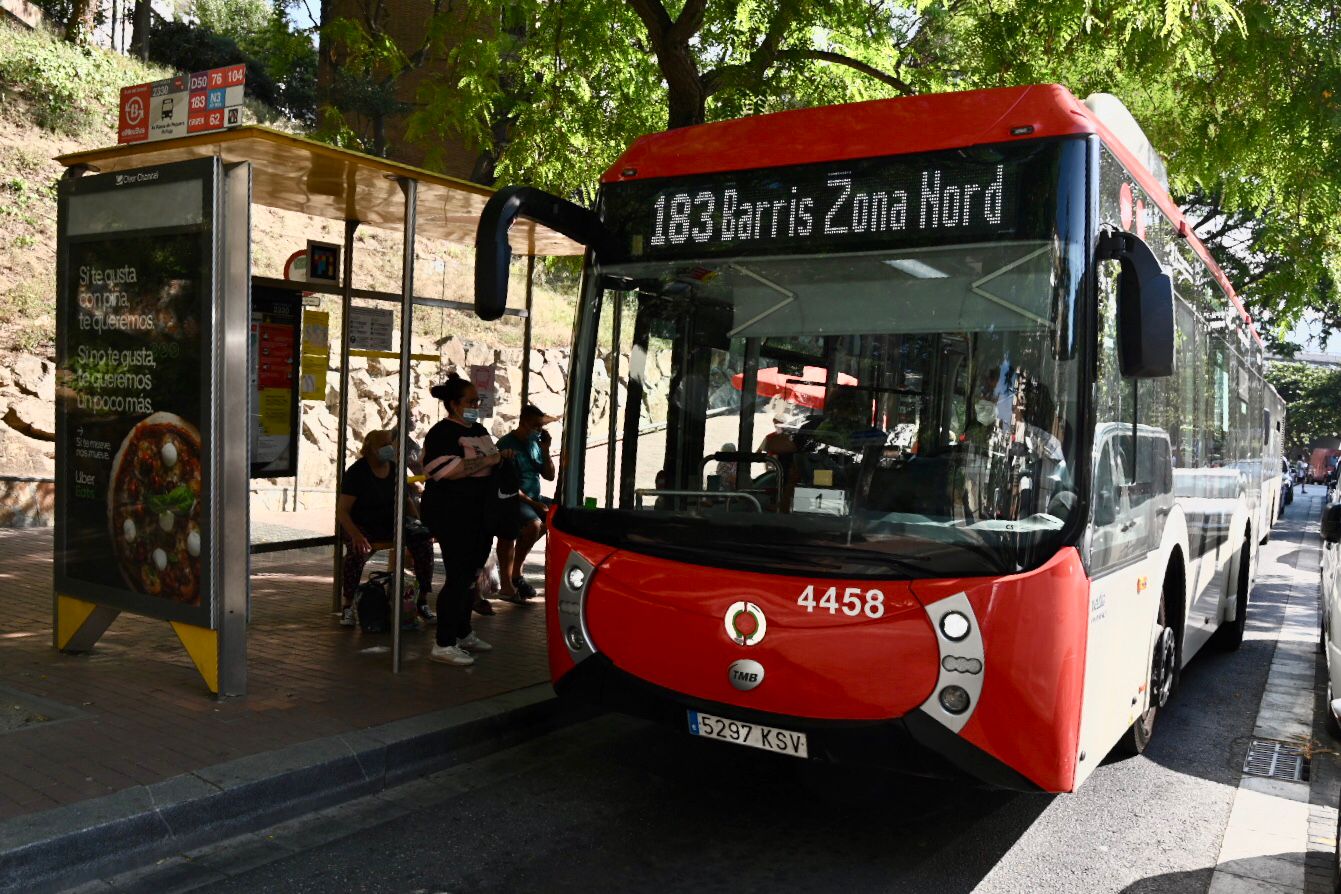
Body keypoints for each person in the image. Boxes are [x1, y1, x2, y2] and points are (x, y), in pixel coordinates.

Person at [421, 373, 515, 666]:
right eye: (471, 400)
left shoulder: (480, 430)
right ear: (454, 404)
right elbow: (445, 471)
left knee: (472, 576)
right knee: (458, 577)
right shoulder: (441, 434)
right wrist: (488, 461)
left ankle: (463, 632)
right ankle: (444, 643)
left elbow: (492, 460)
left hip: (480, 515)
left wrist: (502, 458)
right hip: (453, 516)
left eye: (478, 400)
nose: (476, 405)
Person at [335, 430, 436, 627]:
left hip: (391, 523)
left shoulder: (395, 469)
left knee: (424, 542)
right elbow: (343, 511)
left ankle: (422, 600)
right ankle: (348, 605)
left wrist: (417, 524)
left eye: (390, 443)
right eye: (383, 444)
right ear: (370, 448)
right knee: (357, 552)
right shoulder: (357, 473)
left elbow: (407, 502)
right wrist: (355, 535)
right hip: (363, 525)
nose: (389, 448)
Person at [493, 404, 556, 601]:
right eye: (536, 426)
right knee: (533, 524)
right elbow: (508, 483)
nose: (539, 430)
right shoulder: (506, 445)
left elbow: (550, 475)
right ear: (524, 422)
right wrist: (535, 505)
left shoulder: (535, 445)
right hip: (513, 497)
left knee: (557, 516)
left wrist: (545, 450)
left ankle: (517, 569)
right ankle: (515, 575)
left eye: (541, 427)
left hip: (533, 497)